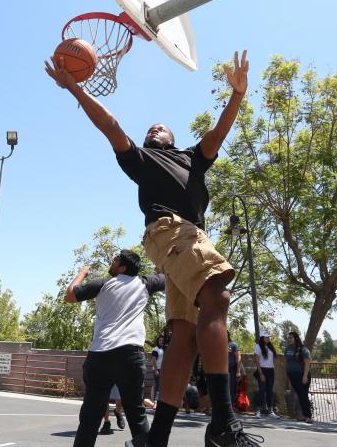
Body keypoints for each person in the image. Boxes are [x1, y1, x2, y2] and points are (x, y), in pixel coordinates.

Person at [46, 51, 258, 447]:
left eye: (160, 127)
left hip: (185, 237)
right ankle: (224, 423)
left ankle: (155, 438)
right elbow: (109, 124)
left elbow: (217, 135)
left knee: (186, 335)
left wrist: (237, 96)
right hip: (170, 230)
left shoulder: (192, 157)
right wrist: (74, 86)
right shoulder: (142, 159)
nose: (154, 128)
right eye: (151, 128)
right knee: (218, 295)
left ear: (172, 139)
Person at [64, 251, 165, 447]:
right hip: (130, 355)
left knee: (90, 417)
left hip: (101, 355)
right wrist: (161, 267)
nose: (112, 261)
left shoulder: (103, 284)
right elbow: (166, 278)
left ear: (123, 267)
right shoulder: (146, 283)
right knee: (137, 415)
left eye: (116, 260)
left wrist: (82, 273)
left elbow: (70, 295)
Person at [284, 331, 313, 423]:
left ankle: (308, 416)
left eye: (291, 337)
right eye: (288, 338)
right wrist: (287, 375)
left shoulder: (303, 349)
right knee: (300, 396)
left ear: (296, 338)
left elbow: (307, 363)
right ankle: (302, 415)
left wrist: (305, 376)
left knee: (303, 395)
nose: (289, 339)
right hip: (292, 375)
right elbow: (286, 362)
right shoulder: (287, 349)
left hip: (302, 375)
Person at [252, 334, 278, 419]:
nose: (268, 338)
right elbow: (256, 361)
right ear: (262, 338)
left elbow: (273, 358)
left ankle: (270, 411)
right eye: (266, 337)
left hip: (271, 370)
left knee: (270, 391)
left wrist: (272, 366)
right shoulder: (258, 346)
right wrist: (261, 373)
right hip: (262, 370)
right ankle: (258, 411)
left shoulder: (270, 346)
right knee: (262, 390)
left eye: (268, 337)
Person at [227, 333, 242, 408]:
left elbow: (238, 358)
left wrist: (238, 371)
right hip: (222, 370)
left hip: (231, 369)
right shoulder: (219, 344)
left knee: (231, 388)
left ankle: (231, 406)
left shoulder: (233, 345)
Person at [150, 335, 165, 402]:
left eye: (162, 340)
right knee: (157, 385)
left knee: (160, 385)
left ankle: (157, 400)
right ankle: (155, 401)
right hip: (157, 369)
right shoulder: (155, 349)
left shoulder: (163, 349)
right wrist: (156, 370)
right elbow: (153, 360)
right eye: (160, 340)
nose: (161, 342)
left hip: (162, 369)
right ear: (158, 341)